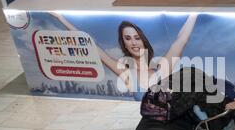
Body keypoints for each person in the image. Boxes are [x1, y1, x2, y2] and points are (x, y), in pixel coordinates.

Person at [50, 13, 198, 100]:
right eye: (128, 38)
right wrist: (61, 18)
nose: (133, 42)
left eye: (137, 37)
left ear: (143, 41)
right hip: (149, 129)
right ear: (124, 44)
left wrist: (194, 12)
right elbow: (93, 46)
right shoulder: (127, 74)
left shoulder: (163, 69)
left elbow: (181, 40)